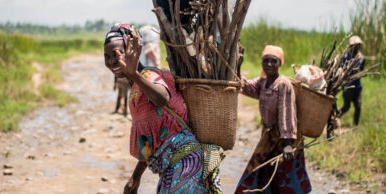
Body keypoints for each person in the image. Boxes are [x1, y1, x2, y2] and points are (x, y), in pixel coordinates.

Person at [104, 23, 222, 194]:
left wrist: (133, 74)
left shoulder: (150, 75)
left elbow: (162, 99)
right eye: (107, 56)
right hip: (172, 168)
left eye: (117, 54)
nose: (111, 61)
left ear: (131, 49)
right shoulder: (135, 90)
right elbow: (150, 139)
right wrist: (135, 178)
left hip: (186, 164)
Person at [235, 45, 311, 194]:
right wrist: (238, 65)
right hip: (269, 139)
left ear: (280, 63)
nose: (269, 64)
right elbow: (243, 86)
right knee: (256, 173)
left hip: (286, 141)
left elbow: (287, 113)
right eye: (266, 60)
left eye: (273, 61)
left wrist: (288, 143)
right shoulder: (262, 83)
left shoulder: (283, 84)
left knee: (285, 181)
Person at [339, 35, 365, 125]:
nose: (356, 47)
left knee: (358, 106)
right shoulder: (345, 57)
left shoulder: (361, 58)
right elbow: (341, 69)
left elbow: (361, 70)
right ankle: (335, 118)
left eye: (358, 45)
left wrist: (360, 74)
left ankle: (355, 125)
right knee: (346, 107)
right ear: (350, 46)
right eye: (354, 45)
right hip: (348, 86)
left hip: (357, 86)